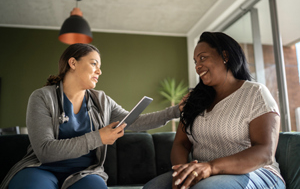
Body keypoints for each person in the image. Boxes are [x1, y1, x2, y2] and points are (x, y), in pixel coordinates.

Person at [1, 43, 182, 189]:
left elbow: (135, 122)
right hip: (41, 168)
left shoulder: (101, 100)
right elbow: (45, 151)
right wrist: (98, 137)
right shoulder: (42, 97)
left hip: (84, 172)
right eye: (94, 63)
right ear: (73, 63)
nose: (99, 71)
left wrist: (176, 111)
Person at [143, 32, 285, 189]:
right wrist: (184, 173)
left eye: (202, 58)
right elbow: (181, 144)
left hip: (256, 173)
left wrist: (211, 167)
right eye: (195, 61)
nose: (197, 66)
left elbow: (265, 152)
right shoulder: (195, 99)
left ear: (225, 56)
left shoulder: (255, 93)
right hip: (205, 173)